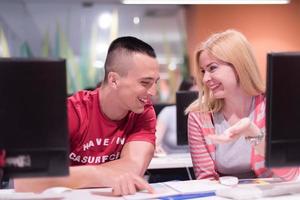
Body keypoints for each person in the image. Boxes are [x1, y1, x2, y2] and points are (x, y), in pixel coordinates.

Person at [14, 36, 160, 195]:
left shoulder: (143, 112)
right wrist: (98, 174)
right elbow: (25, 180)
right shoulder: (71, 111)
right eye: (145, 83)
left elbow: (133, 168)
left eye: (155, 82)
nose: (153, 92)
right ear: (114, 80)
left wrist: (69, 175)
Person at [186, 29, 299, 181]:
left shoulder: (274, 107)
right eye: (202, 71)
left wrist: (254, 135)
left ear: (239, 66)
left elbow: (291, 175)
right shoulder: (199, 116)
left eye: (212, 68)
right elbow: (206, 181)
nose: (205, 78)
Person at [155, 77, 197, 156]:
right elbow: (156, 138)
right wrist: (155, 146)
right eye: (192, 95)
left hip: (197, 160)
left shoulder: (207, 113)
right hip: (171, 161)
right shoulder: (168, 112)